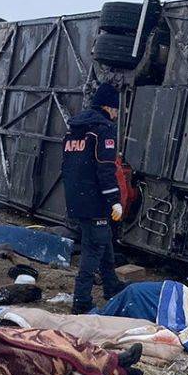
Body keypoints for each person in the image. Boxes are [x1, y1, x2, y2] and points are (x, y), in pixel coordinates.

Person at [63, 82, 125, 315]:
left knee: (103, 239)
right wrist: (114, 201)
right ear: (109, 107)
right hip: (96, 201)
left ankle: (111, 284)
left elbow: (68, 167)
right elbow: (105, 169)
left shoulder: (74, 130)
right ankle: (81, 300)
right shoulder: (103, 129)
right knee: (94, 248)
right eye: (116, 110)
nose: (117, 114)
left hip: (76, 199)